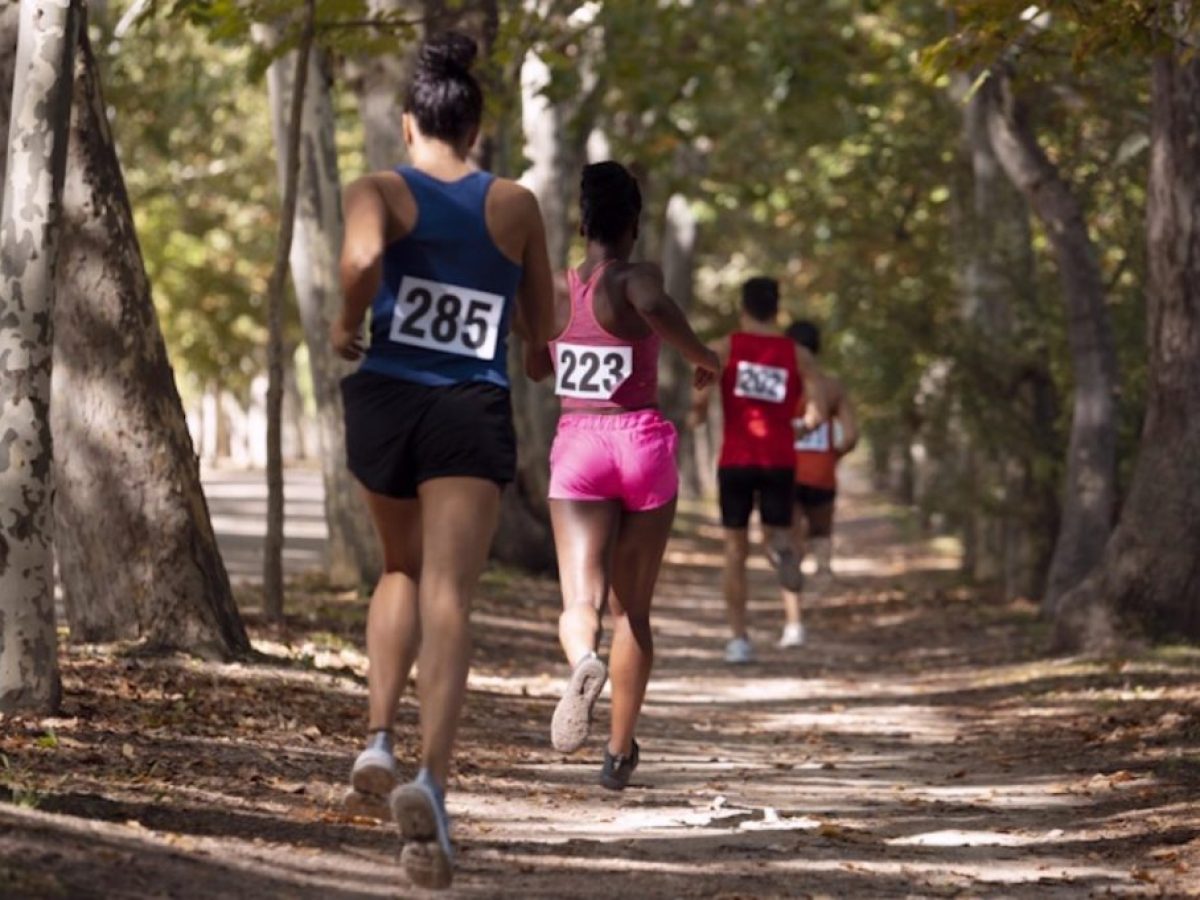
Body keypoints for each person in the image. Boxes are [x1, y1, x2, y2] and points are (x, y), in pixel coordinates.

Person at [331, 32, 554, 890]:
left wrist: (347, 322)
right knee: (450, 592)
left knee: (398, 568)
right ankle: (433, 781)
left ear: (410, 121)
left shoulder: (379, 188)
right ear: (477, 126)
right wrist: (535, 348)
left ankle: (378, 737)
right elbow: (542, 337)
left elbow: (359, 260)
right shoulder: (517, 205)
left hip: (386, 398)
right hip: (468, 406)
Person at [532, 162, 719, 789]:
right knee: (631, 610)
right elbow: (655, 305)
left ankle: (584, 661)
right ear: (634, 224)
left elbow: (536, 362)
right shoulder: (638, 276)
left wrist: (549, 345)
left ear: (582, 223)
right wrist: (704, 357)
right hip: (640, 444)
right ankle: (617, 753)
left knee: (579, 599)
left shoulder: (558, 289)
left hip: (579, 446)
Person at [689, 278, 825, 665]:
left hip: (736, 460)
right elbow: (814, 415)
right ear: (778, 309)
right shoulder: (799, 355)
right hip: (780, 460)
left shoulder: (725, 348)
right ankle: (786, 574)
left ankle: (738, 638)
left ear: (743, 308)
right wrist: (799, 426)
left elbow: (699, 400)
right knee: (779, 536)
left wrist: (696, 415)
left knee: (734, 550)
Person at [778, 320, 858, 648]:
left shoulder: (780, 385)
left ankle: (794, 622)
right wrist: (833, 455)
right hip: (822, 474)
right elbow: (852, 435)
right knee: (821, 535)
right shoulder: (833, 387)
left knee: (786, 544)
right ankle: (823, 572)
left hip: (784, 473)